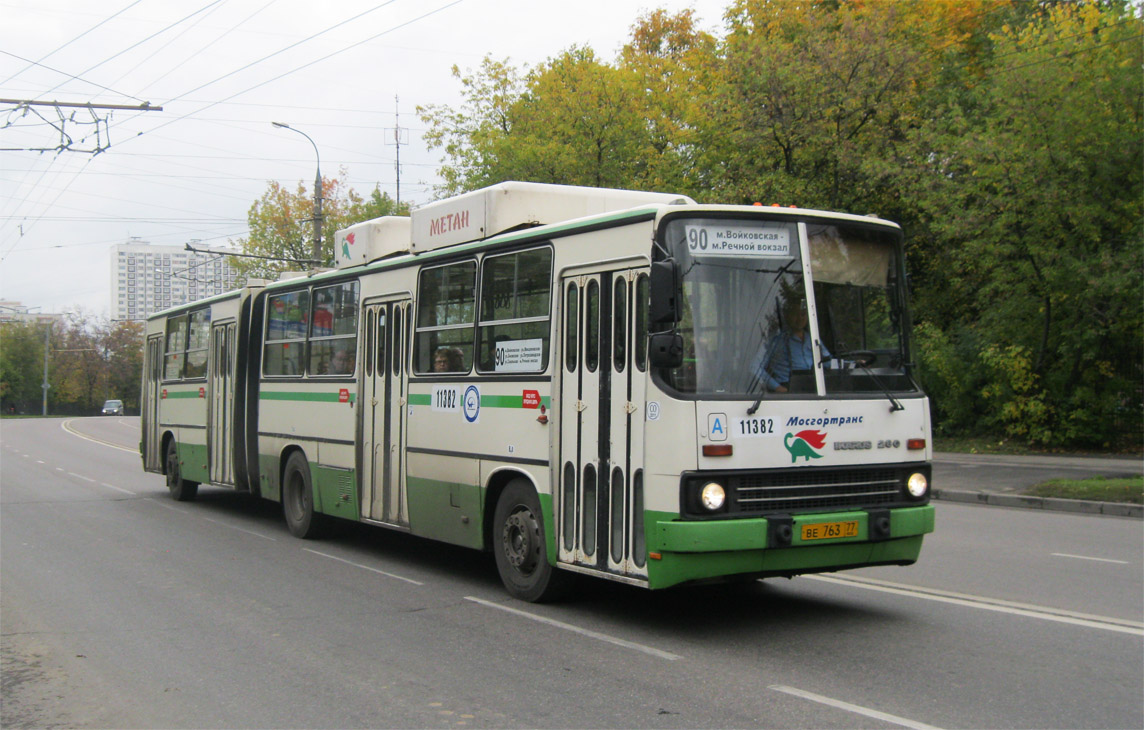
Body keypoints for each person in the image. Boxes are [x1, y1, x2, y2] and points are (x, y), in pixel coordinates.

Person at [757, 298, 830, 393]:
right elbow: (755, 367)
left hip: (813, 391)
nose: (800, 318)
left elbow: (829, 362)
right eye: (795, 314)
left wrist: (853, 363)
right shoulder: (778, 341)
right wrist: (777, 387)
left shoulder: (814, 339)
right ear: (787, 316)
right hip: (788, 393)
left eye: (803, 314)